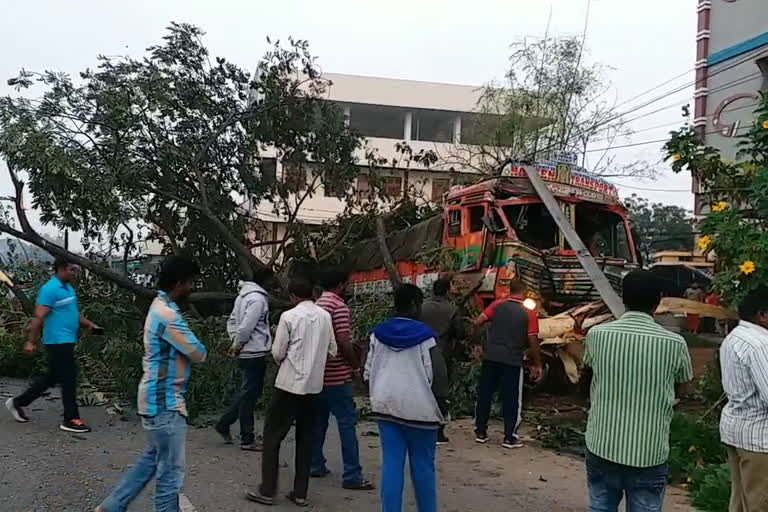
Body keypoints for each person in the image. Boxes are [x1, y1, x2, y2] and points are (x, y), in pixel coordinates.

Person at [96, 256, 207, 512]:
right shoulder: (167, 315)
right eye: (191, 283)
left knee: (151, 460)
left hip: (154, 401)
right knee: (170, 475)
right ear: (179, 283)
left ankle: (112, 506)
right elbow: (198, 353)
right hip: (165, 404)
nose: (192, 288)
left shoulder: (159, 305)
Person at [584, 270, 693, 512]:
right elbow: (682, 388)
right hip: (649, 452)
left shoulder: (597, 335)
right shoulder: (675, 344)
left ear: (623, 298)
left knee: (600, 507)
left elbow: (589, 376)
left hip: (602, 446)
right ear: (658, 301)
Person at [247, 276, 337, 507]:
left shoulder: (289, 316)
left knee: (272, 436)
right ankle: (300, 492)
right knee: (306, 440)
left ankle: (268, 489)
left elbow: (277, 353)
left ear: (293, 296)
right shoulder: (325, 317)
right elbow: (333, 350)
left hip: (288, 385)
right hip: (314, 387)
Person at [365, 283, 446, 512]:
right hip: (420, 412)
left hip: (386, 408)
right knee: (422, 467)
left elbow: (368, 372)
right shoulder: (426, 338)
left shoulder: (377, 335)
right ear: (413, 305)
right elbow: (438, 378)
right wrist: (442, 408)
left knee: (391, 463)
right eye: (420, 303)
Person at [6, 257, 101, 433]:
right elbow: (38, 317)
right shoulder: (49, 289)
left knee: (52, 377)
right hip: (57, 341)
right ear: (61, 269)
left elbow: (73, 313)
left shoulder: (68, 289)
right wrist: (30, 341)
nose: (74, 273)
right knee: (70, 377)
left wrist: (90, 324)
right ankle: (70, 418)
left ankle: (18, 402)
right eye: (72, 269)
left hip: (67, 340)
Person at [310, 267, 374, 490]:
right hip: (337, 376)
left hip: (317, 376)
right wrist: (355, 367)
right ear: (339, 285)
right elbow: (344, 342)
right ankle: (352, 475)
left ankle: (315, 464)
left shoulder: (316, 306)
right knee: (347, 424)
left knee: (318, 422)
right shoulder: (339, 307)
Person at [472, 279, 542, 448]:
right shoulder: (528, 312)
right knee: (512, 398)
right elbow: (533, 339)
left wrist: (478, 345)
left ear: (510, 290)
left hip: (491, 357)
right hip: (512, 360)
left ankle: (480, 432)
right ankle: (509, 437)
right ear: (524, 292)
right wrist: (536, 363)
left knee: (485, 394)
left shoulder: (497, 305)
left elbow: (477, 322)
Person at [719, 287, 768, 512]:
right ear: (762, 314)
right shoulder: (760, 344)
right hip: (758, 438)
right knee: (759, 503)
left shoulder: (734, 337)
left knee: (739, 501)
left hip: (736, 429)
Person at [215, 277, 271, 451]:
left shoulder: (242, 297)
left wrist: (235, 340)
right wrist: (237, 343)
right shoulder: (257, 299)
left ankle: (225, 423)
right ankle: (247, 437)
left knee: (247, 392)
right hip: (254, 351)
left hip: (247, 351)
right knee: (249, 395)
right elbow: (246, 327)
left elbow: (232, 322)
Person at [419, 276, 462, 445]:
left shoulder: (421, 306)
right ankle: (438, 431)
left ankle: (420, 425)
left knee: (422, 389)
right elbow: (460, 332)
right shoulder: (451, 309)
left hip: (420, 353)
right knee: (440, 392)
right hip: (442, 353)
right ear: (446, 290)